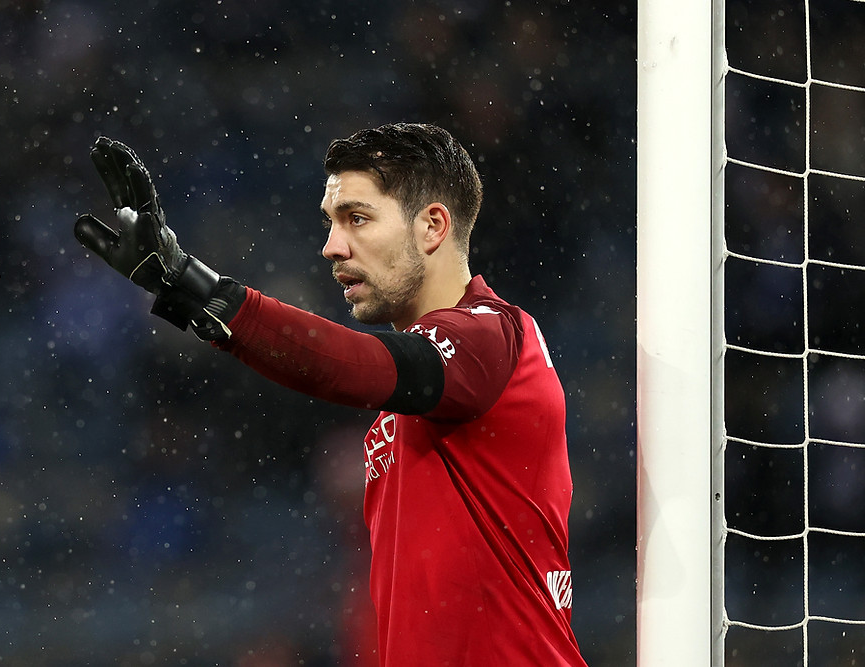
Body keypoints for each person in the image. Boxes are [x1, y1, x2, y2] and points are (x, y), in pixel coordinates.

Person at [75, 123, 588, 666]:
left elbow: (351, 364)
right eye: (331, 223)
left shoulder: (491, 334)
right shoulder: (410, 408)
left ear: (433, 226)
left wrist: (196, 287)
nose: (331, 247)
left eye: (357, 219)